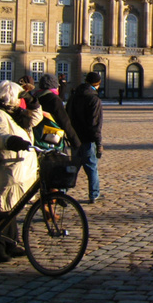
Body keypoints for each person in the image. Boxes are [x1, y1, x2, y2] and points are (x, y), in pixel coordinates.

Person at [0, 80, 43, 261]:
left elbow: (34, 119)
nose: (19, 101)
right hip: (5, 167)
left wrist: (33, 102)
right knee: (4, 208)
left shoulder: (14, 113)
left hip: (17, 167)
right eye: (18, 97)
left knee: (12, 209)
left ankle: (11, 243)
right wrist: (11, 141)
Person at [67, 72, 104, 204]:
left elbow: (67, 116)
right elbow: (95, 124)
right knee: (92, 167)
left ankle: (62, 193)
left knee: (73, 167)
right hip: (88, 139)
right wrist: (99, 143)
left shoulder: (73, 96)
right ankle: (94, 194)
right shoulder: (94, 99)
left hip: (75, 138)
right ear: (97, 84)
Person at [34, 73, 81, 154]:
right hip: (52, 137)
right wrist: (76, 142)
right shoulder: (54, 99)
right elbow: (65, 122)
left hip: (37, 137)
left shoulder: (35, 97)